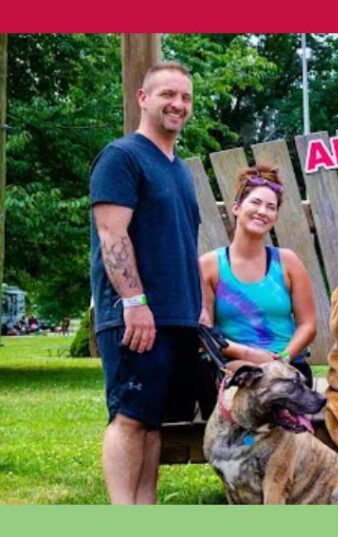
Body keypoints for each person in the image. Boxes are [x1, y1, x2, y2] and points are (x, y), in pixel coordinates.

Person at [90, 61, 202, 504]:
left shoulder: (177, 168)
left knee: (153, 420)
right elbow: (111, 234)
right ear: (143, 98)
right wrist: (134, 302)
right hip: (136, 315)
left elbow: (178, 245)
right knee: (130, 416)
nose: (178, 104)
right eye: (168, 95)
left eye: (186, 98)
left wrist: (197, 306)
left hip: (176, 316)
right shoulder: (123, 157)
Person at [198, 164, 317, 387]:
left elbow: (308, 325)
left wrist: (282, 359)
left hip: (287, 366)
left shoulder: (288, 262)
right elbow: (204, 333)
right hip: (233, 365)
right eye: (255, 202)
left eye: (271, 207)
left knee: (279, 388)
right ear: (236, 208)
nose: (263, 211)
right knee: (245, 386)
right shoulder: (209, 266)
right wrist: (251, 356)